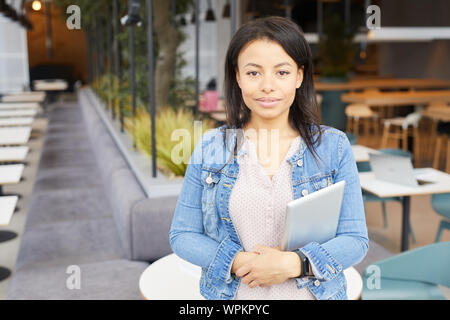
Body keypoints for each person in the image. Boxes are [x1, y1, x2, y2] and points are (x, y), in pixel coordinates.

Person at [169, 16, 368, 300]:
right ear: (237, 76)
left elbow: (355, 240)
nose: (267, 86)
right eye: (253, 73)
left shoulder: (333, 147)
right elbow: (183, 235)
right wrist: (238, 262)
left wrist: (292, 264)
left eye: (282, 72)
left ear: (299, 76)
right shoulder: (211, 147)